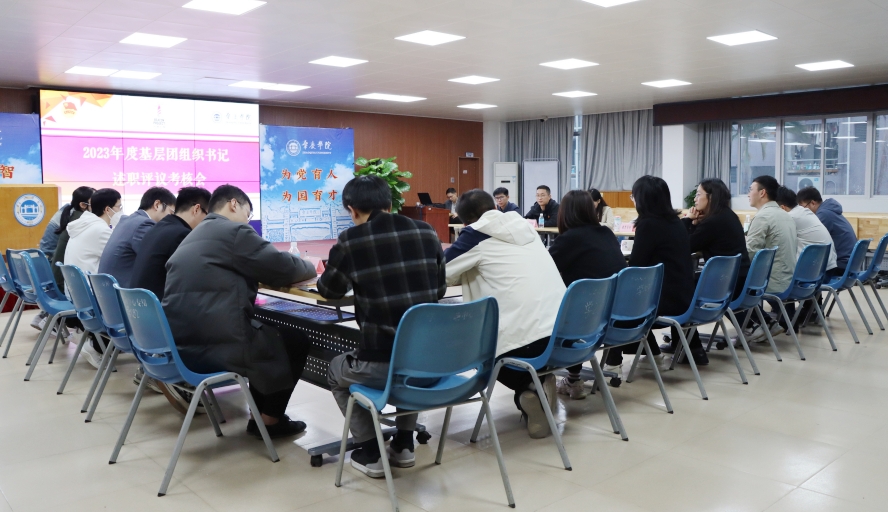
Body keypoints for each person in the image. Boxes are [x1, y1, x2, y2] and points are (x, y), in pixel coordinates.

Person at [164, 184, 317, 439]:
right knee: (293, 340)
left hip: (185, 347)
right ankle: (269, 421)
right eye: (248, 213)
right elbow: (284, 268)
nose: (248, 221)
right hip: (221, 347)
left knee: (267, 333)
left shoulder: (193, 235)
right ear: (234, 204)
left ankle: (259, 418)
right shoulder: (233, 231)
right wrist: (310, 265)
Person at [320, 175, 446, 479]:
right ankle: (404, 444)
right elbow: (440, 289)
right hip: (431, 365)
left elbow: (330, 290)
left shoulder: (351, 240)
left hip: (380, 365)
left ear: (352, 210)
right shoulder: (427, 232)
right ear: (390, 204)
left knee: (336, 370)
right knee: (410, 352)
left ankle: (370, 451)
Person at [445, 189, 565, 439]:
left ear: (465, 221)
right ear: (495, 208)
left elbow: (440, 272)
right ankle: (540, 383)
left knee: (480, 353)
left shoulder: (474, 235)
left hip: (526, 343)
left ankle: (527, 391)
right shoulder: (524, 227)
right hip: (562, 334)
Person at [606, 176, 696, 375]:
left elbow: (636, 269)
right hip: (683, 296)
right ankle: (653, 355)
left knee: (617, 304)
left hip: (665, 302)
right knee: (632, 300)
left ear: (643, 199)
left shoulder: (648, 225)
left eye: (634, 196)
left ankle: (612, 363)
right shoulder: (676, 222)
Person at [130, 187, 210, 399]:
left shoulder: (160, 228)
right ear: (196, 209)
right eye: (208, 216)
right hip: (161, 320)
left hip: (142, 317)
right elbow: (193, 281)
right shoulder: (182, 235)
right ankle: (188, 379)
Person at [548, 190, 625, 399]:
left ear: (565, 213)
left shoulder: (569, 239)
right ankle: (573, 379)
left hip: (586, 319)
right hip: (616, 314)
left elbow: (545, 268)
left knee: (557, 305)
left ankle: (549, 377)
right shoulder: (606, 233)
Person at [670, 178, 750, 351]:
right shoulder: (727, 215)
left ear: (711, 197)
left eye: (699, 194)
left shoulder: (713, 222)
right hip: (737, 278)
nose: (695, 199)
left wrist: (688, 220)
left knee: (677, 287)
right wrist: (696, 224)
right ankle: (687, 345)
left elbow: (685, 246)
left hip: (724, 284)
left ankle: (686, 346)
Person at [63, 188, 121, 367]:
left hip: (77, 293)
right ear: (107, 209)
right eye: (119, 207)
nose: (120, 211)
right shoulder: (99, 230)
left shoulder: (83, 225)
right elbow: (119, 258)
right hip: (91, 296)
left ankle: (91, 339)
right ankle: (96, 345)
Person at [775, 186, 838, 331]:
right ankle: (798, 314)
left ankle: (786, 320)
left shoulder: (790, 218)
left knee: (777, 275)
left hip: (816, 276)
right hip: (824, 270)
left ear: (782, 208)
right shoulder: (804, 212)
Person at [745, 176, 798, 341]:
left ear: (762, 193)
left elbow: (750, 252)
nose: (748, 194)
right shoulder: (785, 215)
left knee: (728, 286)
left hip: (772, 282)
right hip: (787, 278)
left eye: (750, 189)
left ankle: (756, 326)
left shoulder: (763, 217)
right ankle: (766, 323)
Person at [98, 187, 176, 288]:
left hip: (108, 290)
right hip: (122, 291)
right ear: (157, 205)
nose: (171, 217)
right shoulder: (144, 224)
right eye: (171, 212)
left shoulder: (129, 220)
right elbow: (158, 261)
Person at [796, 186, 857, 275]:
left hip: (841, 264)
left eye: (803, 207)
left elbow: (812, 239)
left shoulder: (823, 215)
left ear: (812, 203)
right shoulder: (829, 210)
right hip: (850, 262)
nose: (802, 211)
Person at [31, 203, 70, 331]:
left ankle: (44, 316)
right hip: (51, 265)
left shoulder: (67, 209)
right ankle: (52, 321)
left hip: (43, 264)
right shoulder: (75, 216)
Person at [50, 186, 95, 293]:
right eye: (95, 201)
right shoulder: (83, 221)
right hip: (65, 284)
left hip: (60, 279)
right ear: (83, 205)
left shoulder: (75, 216)